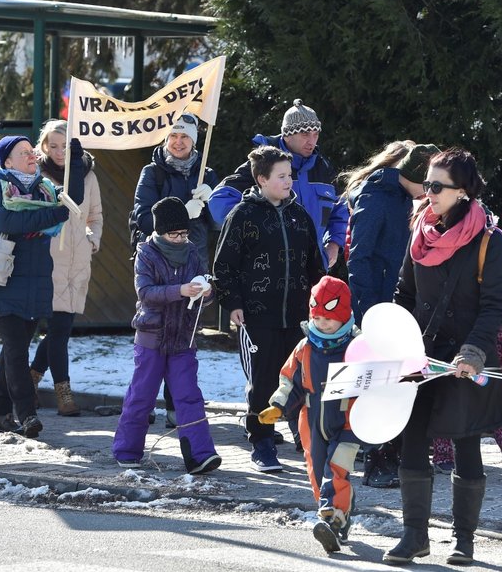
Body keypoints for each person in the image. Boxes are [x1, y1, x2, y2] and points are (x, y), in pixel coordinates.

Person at [385, 148, 502, 566]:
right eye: (427, 185)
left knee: (466, 442)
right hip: (420, 356)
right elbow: (405, 292)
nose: (428, 193)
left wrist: (473, 352)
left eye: (437, 187)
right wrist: (393, 338)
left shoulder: (489, 239)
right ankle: (414, 536)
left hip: (465, 357)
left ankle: (464, 540)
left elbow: (495, 306)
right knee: (413, 440)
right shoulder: (420, 229)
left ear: (462, 192)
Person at [213, 146, 324, 472]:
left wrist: (321, 303)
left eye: (290, 175)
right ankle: (262, 442)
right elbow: (224, 266)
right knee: (263, 383)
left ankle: (303, 436)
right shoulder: (243, 215)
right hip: (258, 315)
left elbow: (314, 265)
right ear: (262, 179)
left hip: (298, 316)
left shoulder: (299, 215)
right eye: (281, 176)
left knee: (301, 378)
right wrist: (232, 303)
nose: (288, 181)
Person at [342, 140, 438, 487]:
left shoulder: (402, 198)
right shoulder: (378, 197)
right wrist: (369, 310)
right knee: (379, 383)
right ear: (414, 177)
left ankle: (396, 455)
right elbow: (360, 256)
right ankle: (375, 462)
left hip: (400, 303)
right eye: (428, 185)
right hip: (378, 303)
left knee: (401, 381)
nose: (431, 192)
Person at [0, 135, 84, 438]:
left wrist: (75, 163)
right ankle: (26, 414)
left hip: (37, 279)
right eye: (22, 153)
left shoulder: (45, 188)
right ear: (6, 161)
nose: (30, 156)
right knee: (15, 348)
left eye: (31, 152)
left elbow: (71, 204)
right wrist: (51, 215)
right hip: (2, 279)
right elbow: (7, 222)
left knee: (16, 349)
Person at [112, 197, 221, 474]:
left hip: (184, 337)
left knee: (189, 396)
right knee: (141, 395)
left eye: (183, 233)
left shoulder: (193, 252)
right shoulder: (146, 254)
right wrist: (180, 290)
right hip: (151, 337)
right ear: (160, 231)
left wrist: (206, 293)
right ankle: (127, 450)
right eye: (174, 234)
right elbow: (145, 293)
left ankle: (200, 455)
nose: (179, 239)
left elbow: (202, 287)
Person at [258, 276, 360, 554]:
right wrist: (278, 406)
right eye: (318, 318)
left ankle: (333, 518)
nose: (323, 324)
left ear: (344, 317)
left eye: (330, 319)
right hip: (312, 419)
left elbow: (373, 382)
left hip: (347, 420)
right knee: (317, 471)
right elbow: (289, 381)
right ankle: (336, 510)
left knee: (336, 467)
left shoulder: (357, 347)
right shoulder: (305, 347)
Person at [128, 114, 218, 427]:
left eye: (184, 137)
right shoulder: (152, 172)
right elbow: (143, 217)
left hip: (193, 260)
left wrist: (212, 201)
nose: (178, 142)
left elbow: (219, 223)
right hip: (159, 262)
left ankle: (176, 405)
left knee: (186, 332)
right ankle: (144, 402)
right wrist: (183, 210)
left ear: (194, 140)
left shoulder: (205, 172)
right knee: (156, 331)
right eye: (173, 136)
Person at [208, 99, 348, 270]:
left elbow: (341, 209)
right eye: (305, 134)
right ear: (288, 134)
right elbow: (219, 199)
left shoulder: (324, 168)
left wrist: (334, 244)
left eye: (316, 134)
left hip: (313, 269)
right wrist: (255, 231)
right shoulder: (264, 163)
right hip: (267, 270)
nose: (312, 141)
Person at [30, 119, 104, 416]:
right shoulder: (36, 174)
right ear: (44, 146)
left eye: (64, 145)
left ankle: (29, 381)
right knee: (59, 329)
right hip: (49, 261)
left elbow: (95, 215)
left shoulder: (87, 174)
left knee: (60, 329)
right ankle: (64, 394)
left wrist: (92, 240)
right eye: (53, 146)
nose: (59, 152)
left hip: (78, 261)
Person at [431, 327, 502, 479]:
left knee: (498, 402)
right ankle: (445, 455)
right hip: (450, 344)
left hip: (489, 348)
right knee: (446, 397)